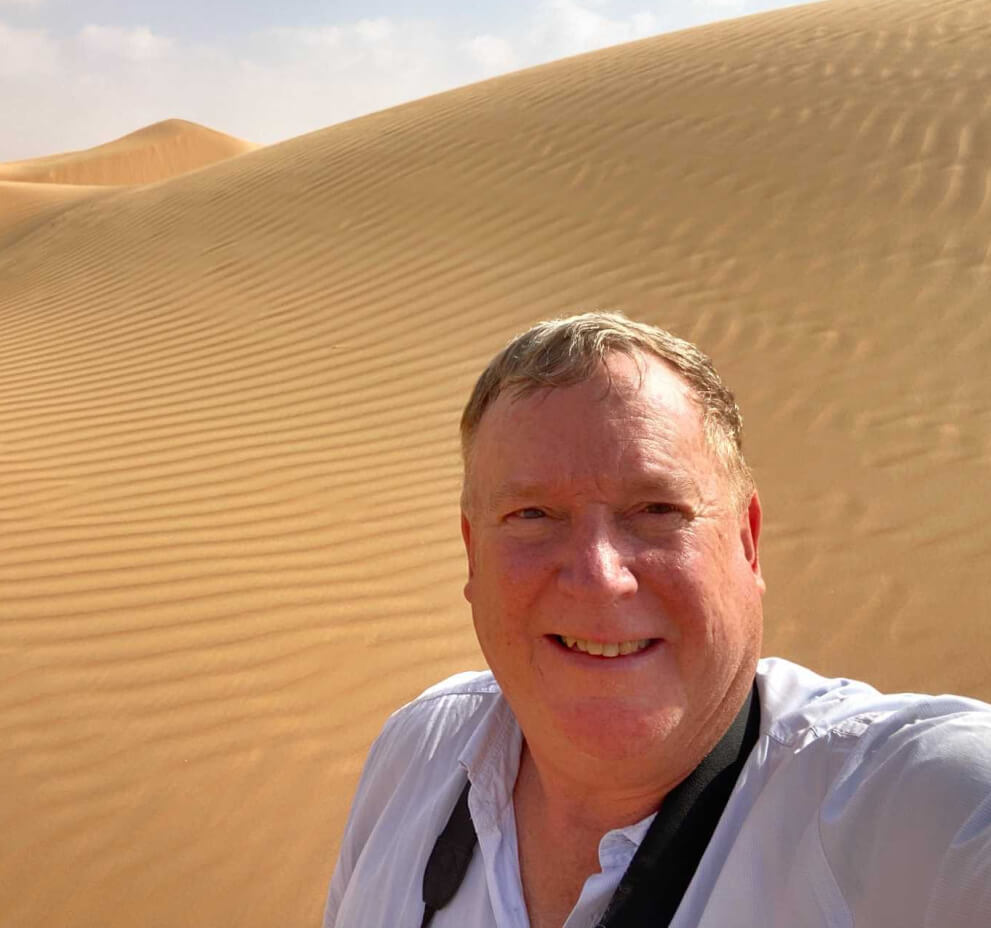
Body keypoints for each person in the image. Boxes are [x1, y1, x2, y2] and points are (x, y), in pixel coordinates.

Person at [323, 312, 991, 928]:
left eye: (656, 510)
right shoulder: (417, 754)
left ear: (747, 541)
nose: (599, 576)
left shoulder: (903, 805)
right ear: (472, 553)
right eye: (531, 515)